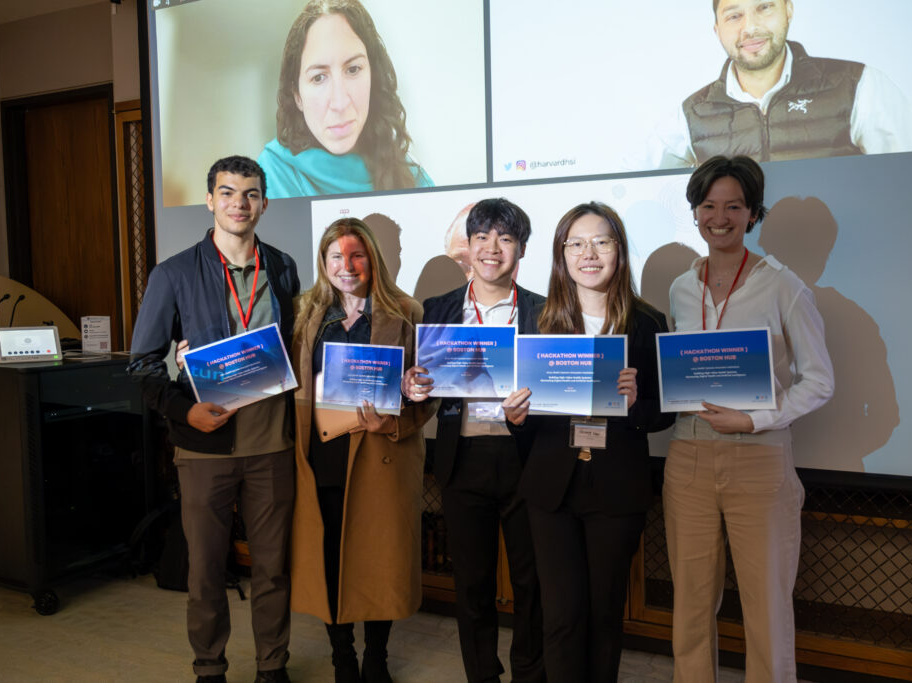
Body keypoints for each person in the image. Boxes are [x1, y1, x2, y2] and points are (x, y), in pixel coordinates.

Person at [129, 156, 299, 683]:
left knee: (273, 570)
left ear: (264, 203)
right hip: (205, 446)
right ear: (210, 201)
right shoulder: (174, 273)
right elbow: (142, 365)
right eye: (227, 193)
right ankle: (210, 668)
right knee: (205, 572)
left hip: (272, 444)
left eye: (250, 194)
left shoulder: (283, 266)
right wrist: (185, 410)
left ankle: (272, 667)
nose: (239, 204)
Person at [664, 155, 834, 682]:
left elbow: (820, 380)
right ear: (695, 213)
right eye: (709, 205)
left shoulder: (784, 286)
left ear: (753, 214)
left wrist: (758, 420)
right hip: (688, 456)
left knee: (766, 607)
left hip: (759, 461)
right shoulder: (680, 288)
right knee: (691, 606)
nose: (720, 217)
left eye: (734, 206)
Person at [502, 202, 675, 683]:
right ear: (562, 255)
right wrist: (516, 417)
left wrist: (639, 401)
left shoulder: (647, 322)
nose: (589, 253)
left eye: (601, 241)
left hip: (616, 489)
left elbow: (665, 414)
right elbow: (528, 418)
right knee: (560, 617)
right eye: (575, 243)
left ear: (618, 250)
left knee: (603, 615)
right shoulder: (537, 320)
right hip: (551, 489)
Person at [402, 198, 547, 683]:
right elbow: (418, 384)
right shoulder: (438, 310)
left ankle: (529, 672)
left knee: (532, 584)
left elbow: (557, 393)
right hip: (463, 462)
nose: (492, 248)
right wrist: (412, 385)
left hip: (526, 460)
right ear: (468, 246)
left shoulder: (543, 313)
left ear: (521, 249)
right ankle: (482, 675)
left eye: (505, 238)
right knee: (473, 585)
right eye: (482, 237)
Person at [289, 218, 434, 683]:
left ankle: (376, 656)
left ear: (373, 259)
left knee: (378, 559)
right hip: (322, 455)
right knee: (330, 554)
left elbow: (430, 391)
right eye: (336, 257)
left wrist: (403, 408)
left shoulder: (407, 311)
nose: (347, 267)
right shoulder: (306, 313)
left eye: (357, 256)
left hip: (380, 453)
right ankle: (342, 656)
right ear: (324, 262)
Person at [641, 0, 912, 168]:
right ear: (717, 29)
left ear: (788, 10)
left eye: (764, 7)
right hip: (744, 279)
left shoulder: (856, 86)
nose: (750, 28)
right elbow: (631, 190)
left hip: (843, 268)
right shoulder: (692, 114)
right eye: (734, 15)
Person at [258, 0, 433, 198]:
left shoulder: (413, 180)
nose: (340, 103)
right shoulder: (267, 179)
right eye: (318, 78)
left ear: (373, 77)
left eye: (353, 70)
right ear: (297, 95)